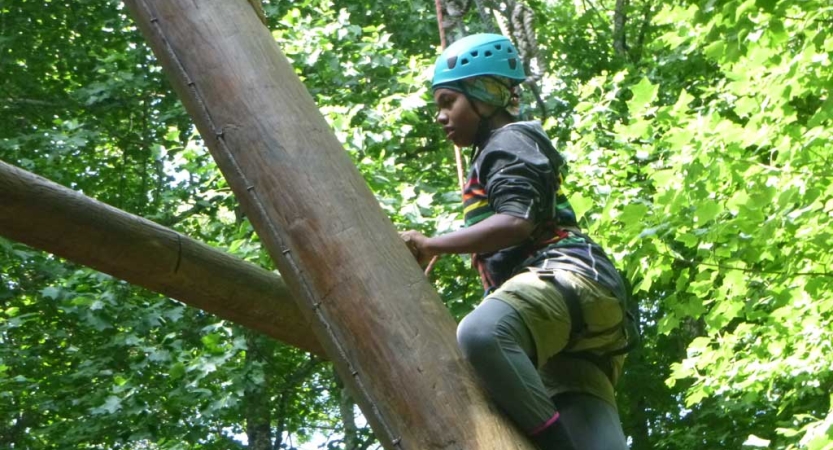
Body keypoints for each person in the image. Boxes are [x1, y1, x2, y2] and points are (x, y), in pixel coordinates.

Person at [400, 34, 631, 450]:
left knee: (482, 334)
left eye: (448, 101)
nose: (440, 116)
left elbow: (516, 222)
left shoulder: (507, 141)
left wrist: (433, 244)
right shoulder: (504, 147)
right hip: (579, 326)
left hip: (566, 277)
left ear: (485, 96)